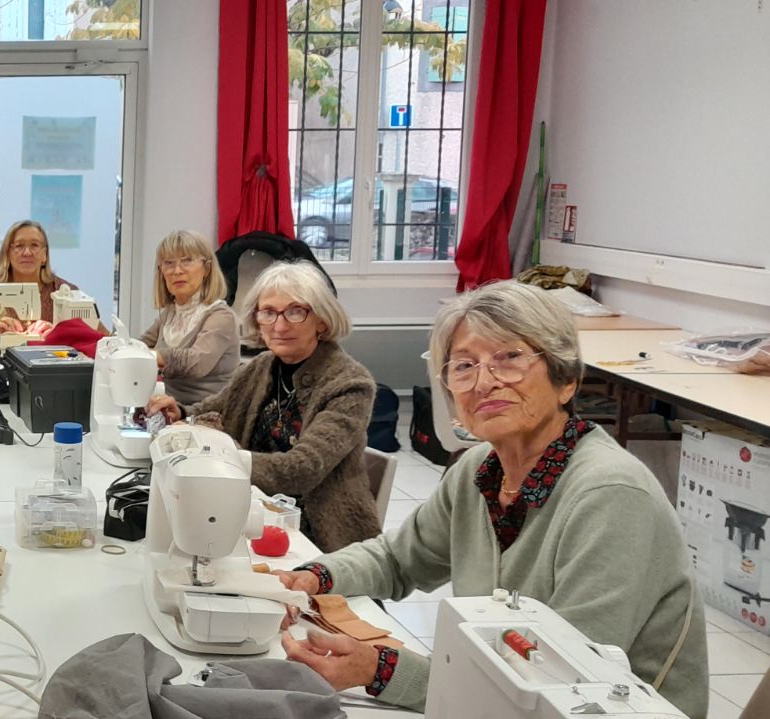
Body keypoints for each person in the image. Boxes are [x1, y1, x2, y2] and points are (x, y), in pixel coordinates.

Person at [273, 282, 708, 718]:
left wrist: (382, 669)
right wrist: (313, 576)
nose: (484, 382)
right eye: (464, 366)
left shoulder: (610, 495)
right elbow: (398, 559)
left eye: (510, 358)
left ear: (566, 380)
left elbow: (558, 682)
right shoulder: (480, 469)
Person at [145, 261, 380, 552]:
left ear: (322, 320)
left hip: (317, 534)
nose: (279, 326)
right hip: (253, 509)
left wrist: (225, 457)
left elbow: (302, 469)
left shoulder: (350, 384)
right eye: (268, 312)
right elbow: (217, 407)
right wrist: (181, 412)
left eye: (295, 311)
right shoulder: (261, 366)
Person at [138, 230, 240, 405]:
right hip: (169, 408)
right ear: (161, 271)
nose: (177, 271)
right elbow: (139, 345)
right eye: (169, 263)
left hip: (207, 413)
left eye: (187, 261)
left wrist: (150, 355)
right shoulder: (169, 314)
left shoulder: (221, 316)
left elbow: (196, 364)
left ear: (206, 268)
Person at [0, 220, 75, 332]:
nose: (27, 253)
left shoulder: (67, 292)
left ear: (45, 254)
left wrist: (58, 333)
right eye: (19, 246)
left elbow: (90, 335)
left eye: (35, 245)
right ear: (7, 253)